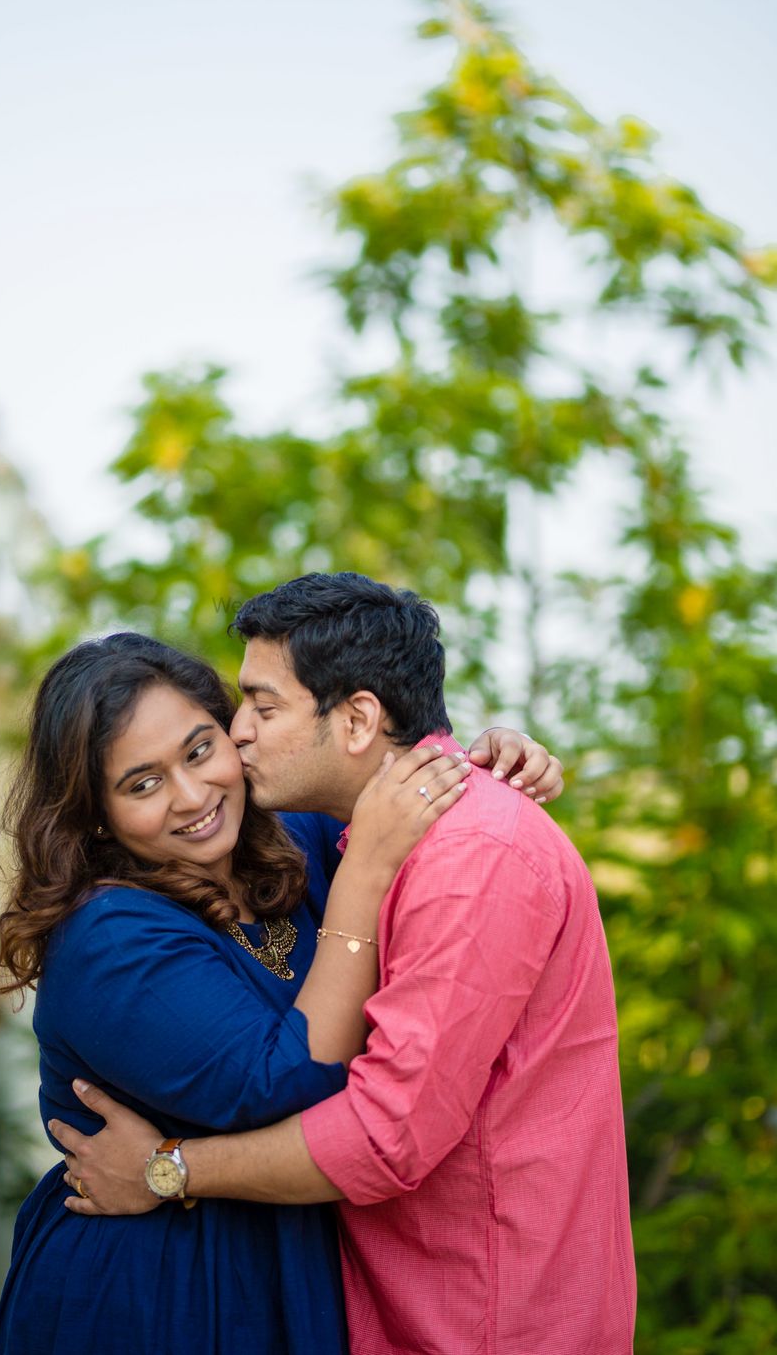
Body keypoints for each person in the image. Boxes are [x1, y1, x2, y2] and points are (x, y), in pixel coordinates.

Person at [51, 574, 635, 1355]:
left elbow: (384, 1135)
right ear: (98, 807)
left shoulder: (416, 852)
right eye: (144, 783)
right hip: (165, 1294)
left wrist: (167, 1167)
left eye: (252, 713)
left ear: (357, 718)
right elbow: (286, 1077)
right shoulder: (130, 929)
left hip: (478, 1312)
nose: (235, 744)